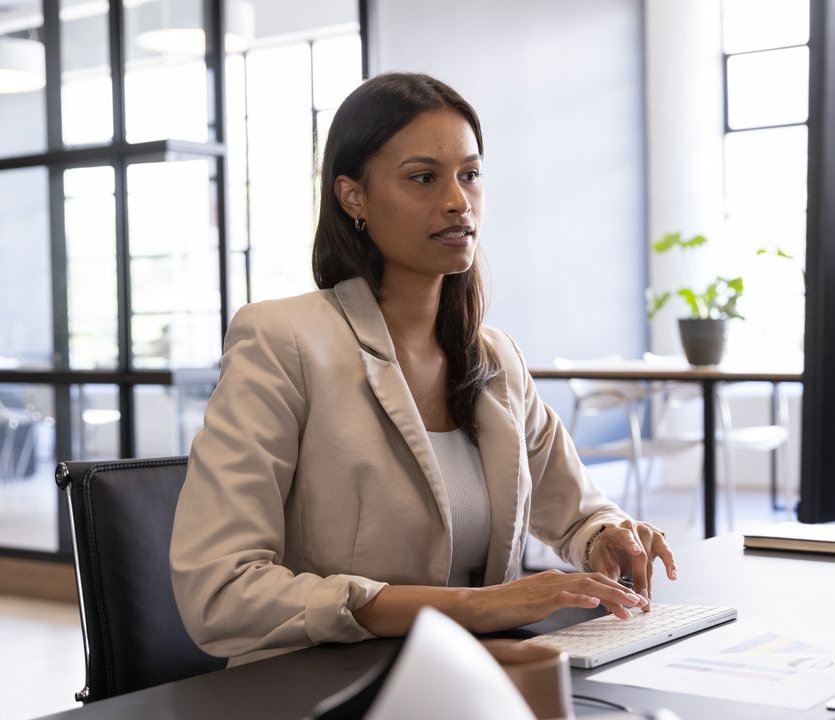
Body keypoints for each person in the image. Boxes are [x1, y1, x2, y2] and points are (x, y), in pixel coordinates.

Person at [170, 72, 677, 665]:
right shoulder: (283, 341)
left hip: (470, 681)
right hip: (324, 685)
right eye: (423, 178)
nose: (458, 201)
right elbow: (220, 591)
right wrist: (479, 605)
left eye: (470, 174)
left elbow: (579, 510)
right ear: (352, 196)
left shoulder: (495, 358)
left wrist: (606, 537)